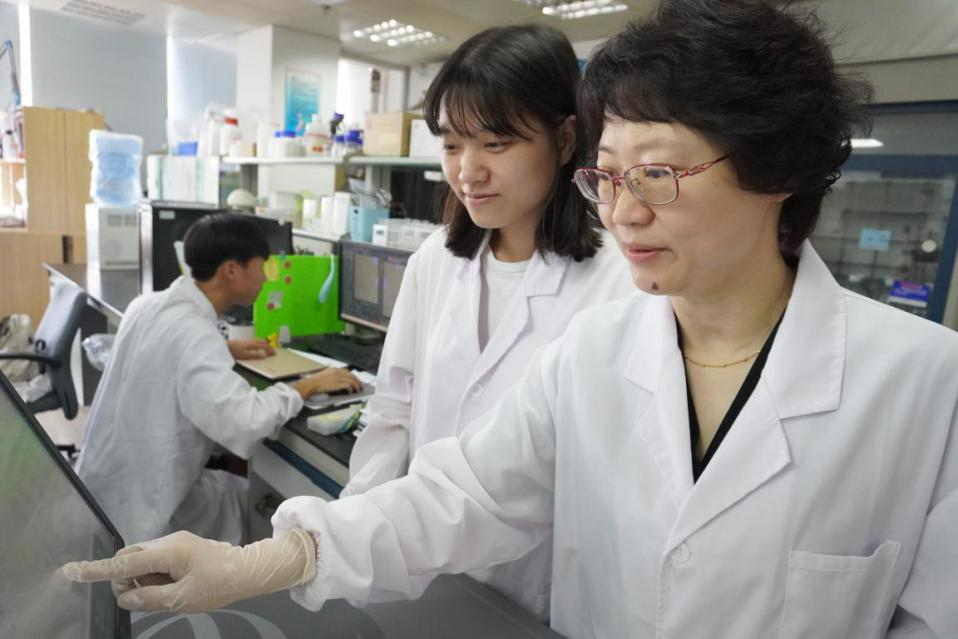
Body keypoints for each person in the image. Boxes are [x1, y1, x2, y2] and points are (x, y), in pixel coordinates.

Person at [63, 2, 958, 638]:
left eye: (657, 173)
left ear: (778, 170)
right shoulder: (596, 351)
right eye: (609, 175)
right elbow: (463, 493)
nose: (624, 211)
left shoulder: (928, 387)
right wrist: (267, 559)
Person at [339, 24, 632, 619]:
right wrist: (350, 538)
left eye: (495, 143)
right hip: (418, 569)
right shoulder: (435, 260)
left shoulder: (621, 281)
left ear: (565, 138)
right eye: (452, 145)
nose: (467, 171)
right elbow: (393, 413)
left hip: (536, 591)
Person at [75, 212, 361, 546]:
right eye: (262, 267)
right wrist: (306, 386)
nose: (264, 278)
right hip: (146, 513)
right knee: (250, 501)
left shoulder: (148, 304)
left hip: (101, 487)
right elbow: (245, 422)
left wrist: (224, 347)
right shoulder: (195, 335)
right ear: (231, 270)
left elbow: (162, 350)